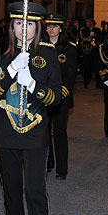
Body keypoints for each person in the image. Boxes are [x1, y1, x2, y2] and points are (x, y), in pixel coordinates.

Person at [0, 1, 62, 215]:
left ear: (38, 28)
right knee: (11, 191)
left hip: (36, 132)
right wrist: (11, 69)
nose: (23, 28)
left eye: (29, 24)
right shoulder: (3, 59)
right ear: (12, 27)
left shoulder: (48, 55)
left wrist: (31, 83)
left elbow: (55, 97)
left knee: (34, 191)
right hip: (6, 133)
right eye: (19, 23)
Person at [43, 12, 78, 180]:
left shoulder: (70, 48)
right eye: (49, 25)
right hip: (44, 96)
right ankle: (48, 163)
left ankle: (61, 169)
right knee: (44, 130)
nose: (51, 29)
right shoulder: (40, 47)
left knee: (59, 131)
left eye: (55, 25)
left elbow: (70, 75)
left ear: (61, 28)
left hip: (61, 97)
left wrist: (60, 93)